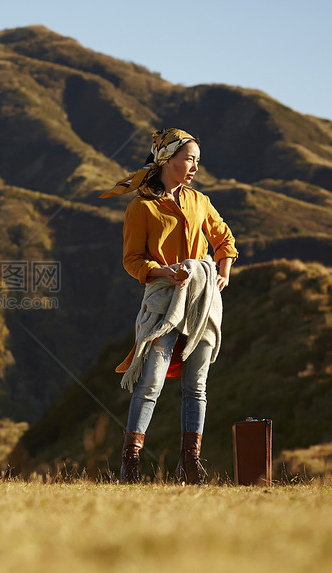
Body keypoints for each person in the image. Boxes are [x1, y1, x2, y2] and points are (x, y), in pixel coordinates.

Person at [99, 128, 238, 484]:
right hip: (163, 301)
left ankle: (190, 464)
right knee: (150, 384)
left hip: (203, 300)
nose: (194, 167)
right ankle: (130, 465)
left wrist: (221, 273)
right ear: (166, 159)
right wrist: (162, 271)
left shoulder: (200, 201)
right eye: (188, 159)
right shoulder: (141, 206)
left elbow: (224, 238)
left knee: (197, 387)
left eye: (197, 161)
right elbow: (132, 260)